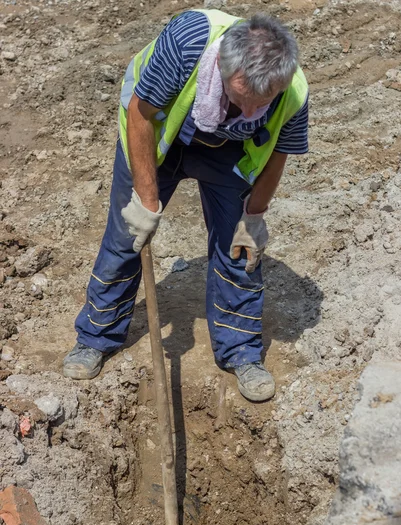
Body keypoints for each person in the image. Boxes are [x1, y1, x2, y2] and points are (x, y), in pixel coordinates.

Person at [63, 9, 309, 402]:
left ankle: (241, 352)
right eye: (241, 98)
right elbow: (141, 114)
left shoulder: (292, 90)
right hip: (158, 130)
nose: (249, 112)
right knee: (127, 235)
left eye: (260, 103)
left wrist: (254, 216)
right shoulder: (187, 44)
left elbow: (279, 152)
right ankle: (96, 336)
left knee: (239, 250)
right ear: (223, 69)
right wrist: (146, 202)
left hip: (229, 153)